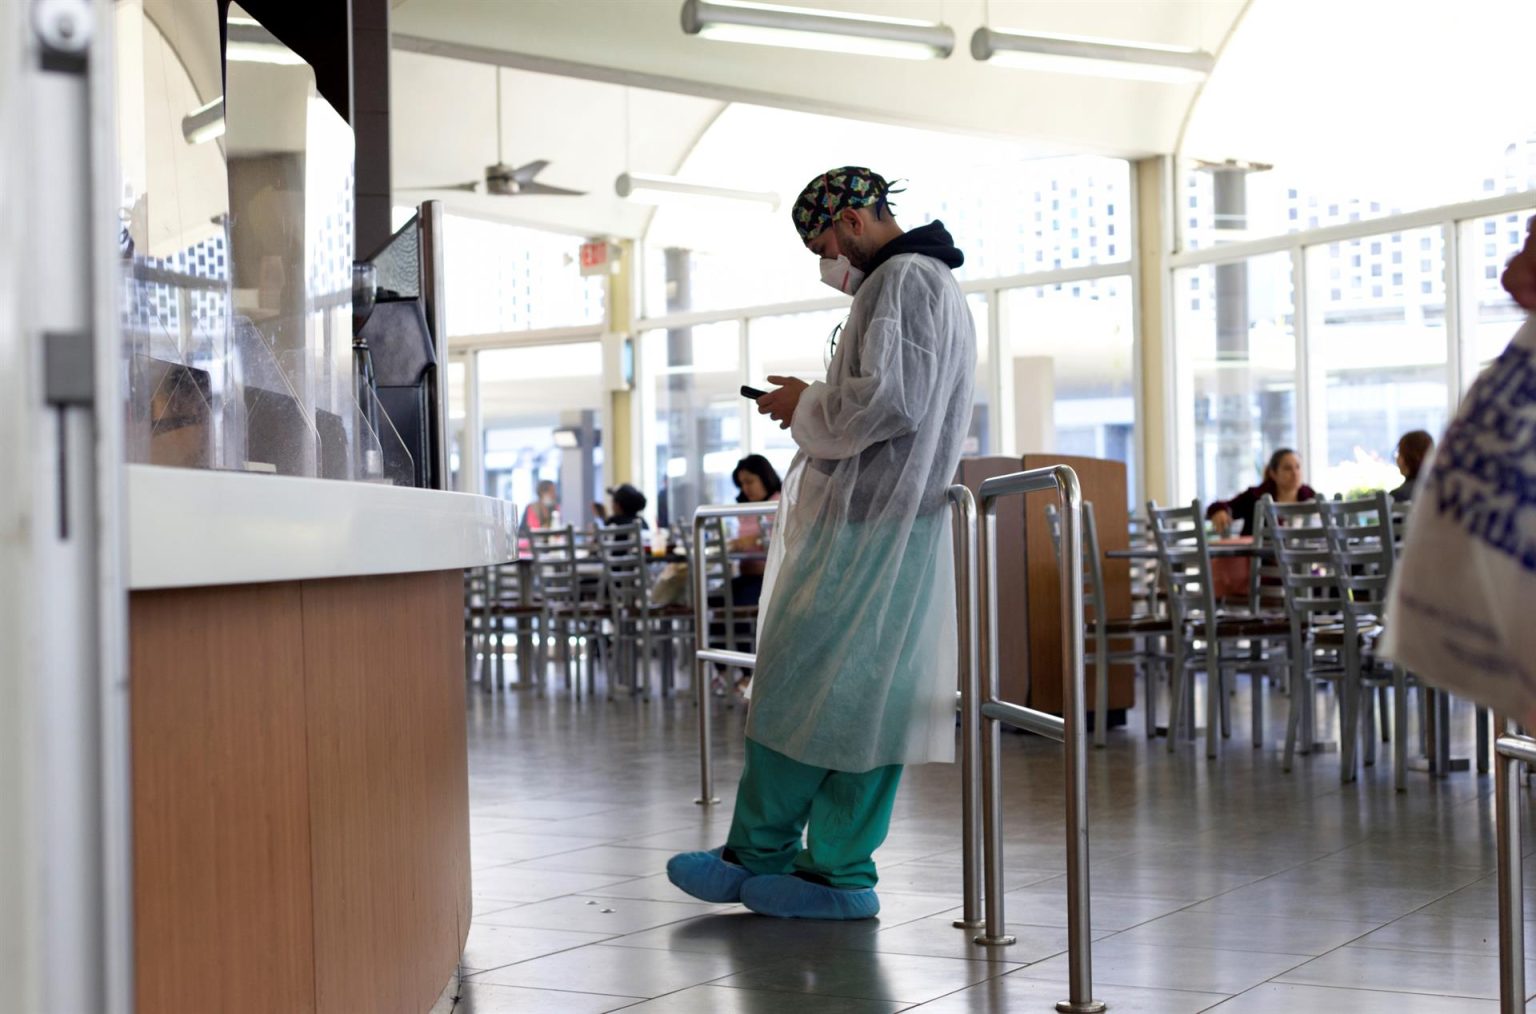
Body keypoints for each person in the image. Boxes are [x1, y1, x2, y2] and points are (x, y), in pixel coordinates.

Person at [666, 167, 975, 921]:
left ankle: (826, 871)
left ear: (857, 221)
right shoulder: (920, 283)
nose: (827, 260)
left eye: (824, 242)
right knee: (844, 697)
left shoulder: (903, 279)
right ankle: (777, 856)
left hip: (874, 528)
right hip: (882, 523)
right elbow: (893, 393)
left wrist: (806, 403)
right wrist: (811, 400)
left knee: (836, 697)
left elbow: (893, 400)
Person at [1207, 448, 1317, 536]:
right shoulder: (1255, 496)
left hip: (1305, 558)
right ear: (1273, 473)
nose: (1295, 473)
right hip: (1260, 559)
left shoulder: (1312, 497)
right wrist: (1219, 510)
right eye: (1288, 468)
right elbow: (1219, 506)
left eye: (1298, 467)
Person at [728, 454, 782, 608]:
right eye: (741, 484)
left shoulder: (779, 503)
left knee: (732, 602)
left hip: (770, 581)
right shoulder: (747, 509)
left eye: (750, 482)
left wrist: (753, 539)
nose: (745, 488)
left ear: (765, 477)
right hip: (747, 577)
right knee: (716, 599)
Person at [1390, 430, 1434, 503]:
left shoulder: (1397, 495)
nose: (1397, 459)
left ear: (1411, 456)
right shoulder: (1441, 490)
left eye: (1400, 453)